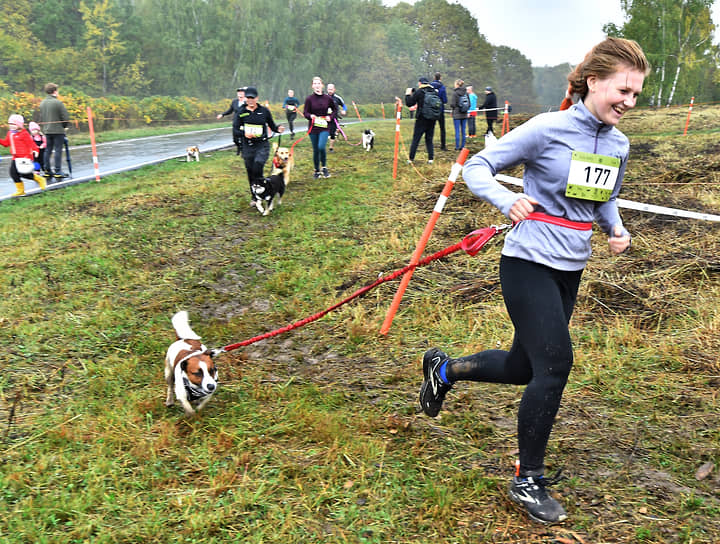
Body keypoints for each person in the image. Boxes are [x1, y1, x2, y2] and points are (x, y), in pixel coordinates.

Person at [417, 37, 649, 525]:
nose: (629, 103)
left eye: (636, 95)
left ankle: (444, 372)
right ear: (593, 81)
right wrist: (506, 201)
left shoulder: (618, 142)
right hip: (527, 262)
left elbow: (602, 194)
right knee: (555, 364)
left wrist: (615, 227)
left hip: (571, 266)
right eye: (623, 91)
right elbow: (477, 167)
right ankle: (528, 478)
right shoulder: (547, 128)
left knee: (525, 367)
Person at [235, 86, 285, 205]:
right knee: (250, 170)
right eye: (248, 98)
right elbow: (235, 130)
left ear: (257, 98)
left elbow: (272, 126)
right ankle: (255, 196)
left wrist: (278, 129)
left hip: (262, 144)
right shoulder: (241, 112)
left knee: (258, 166)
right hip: (247, 145)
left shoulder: (264, 111)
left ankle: (265, 191)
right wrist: (244, 133)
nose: (250, 100)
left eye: (252, 98)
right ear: (245, 99)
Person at [0, 114, 47, 196]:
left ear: (19, 125)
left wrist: (35, 150)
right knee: (13, 173)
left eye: (13, 124)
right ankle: (20, 190)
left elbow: (31, 143)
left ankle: (40, 179)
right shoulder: (10, 133)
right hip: (15, 158)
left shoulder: (24, 134)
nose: (11, 126)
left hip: (24, 157)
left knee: (25, 174)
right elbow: (6, 144)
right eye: (10, 124)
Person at [303, 76, 336, 179]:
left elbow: (335, 110)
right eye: (315, 83)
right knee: (316, 149)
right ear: (312, 86)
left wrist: (330, 117)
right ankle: (317, 170)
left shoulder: (328, 98)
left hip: (324, 127)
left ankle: (324, 167)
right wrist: (310, 116)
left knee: (321, 146)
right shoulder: (309, 99)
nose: (317, 85)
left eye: (319, 83)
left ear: (322, 85)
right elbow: (305, 112)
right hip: (313, 128)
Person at [38, 83, 70, 180]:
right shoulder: (58, 103)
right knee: (58, 150)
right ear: (55, 91)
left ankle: (47, 170)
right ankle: (58, 170)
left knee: (48, 150)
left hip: (47, 130)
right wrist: (64, 127)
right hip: (58, 130)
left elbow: (42, 117)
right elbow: (65, 118)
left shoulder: (42, 103)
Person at [404, 76, 438, 164]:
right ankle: (431, 159)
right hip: (432, 118)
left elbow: (409, 103)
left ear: (420, 83)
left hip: (421, 119)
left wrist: (408, 94)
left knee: (416, 139)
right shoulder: (433, 91)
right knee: (429, 139)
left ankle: (411, 159)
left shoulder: (419, 91)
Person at [217, 87, 246, 155]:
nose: (240, 94)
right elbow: (230, 110)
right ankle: (239, 147)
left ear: (244, 94)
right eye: (238, 93)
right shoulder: (235, 101)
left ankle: (242, 151)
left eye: (241, 93)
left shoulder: (247, 102)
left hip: (244, 123)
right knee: (235, 139)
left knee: (243, 138)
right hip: (236, 123)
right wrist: (222, 114)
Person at [326, 83, 347, 153]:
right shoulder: (323, 97)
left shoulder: (338, 98)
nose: (330, 91)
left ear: (334, 90)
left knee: (332, 133)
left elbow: (344, 105)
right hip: (324, 118)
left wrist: (344, 110)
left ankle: (331, 148)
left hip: (334, 118)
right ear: (327, 89)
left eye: (331, 89)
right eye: (329, 89)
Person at [449, 78, 469, 150]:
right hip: (464, 114)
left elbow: (453, 104)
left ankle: (457, 146)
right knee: (463, 131)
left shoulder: (455, 93)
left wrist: (453, 106)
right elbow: (469, 104)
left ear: (457, 84)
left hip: (457, 114)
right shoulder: (466, 93)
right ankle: (462, 146)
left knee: (457, 131)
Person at [430, 72, 448, 150]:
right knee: (442, 128)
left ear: (434, 77)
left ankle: (430, 145)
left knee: (431, 128)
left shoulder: (430, 86)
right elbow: (445, 100)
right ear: (440, 78)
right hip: (440, 109)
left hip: (432, 110)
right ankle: (443, 146)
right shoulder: (442, 87)